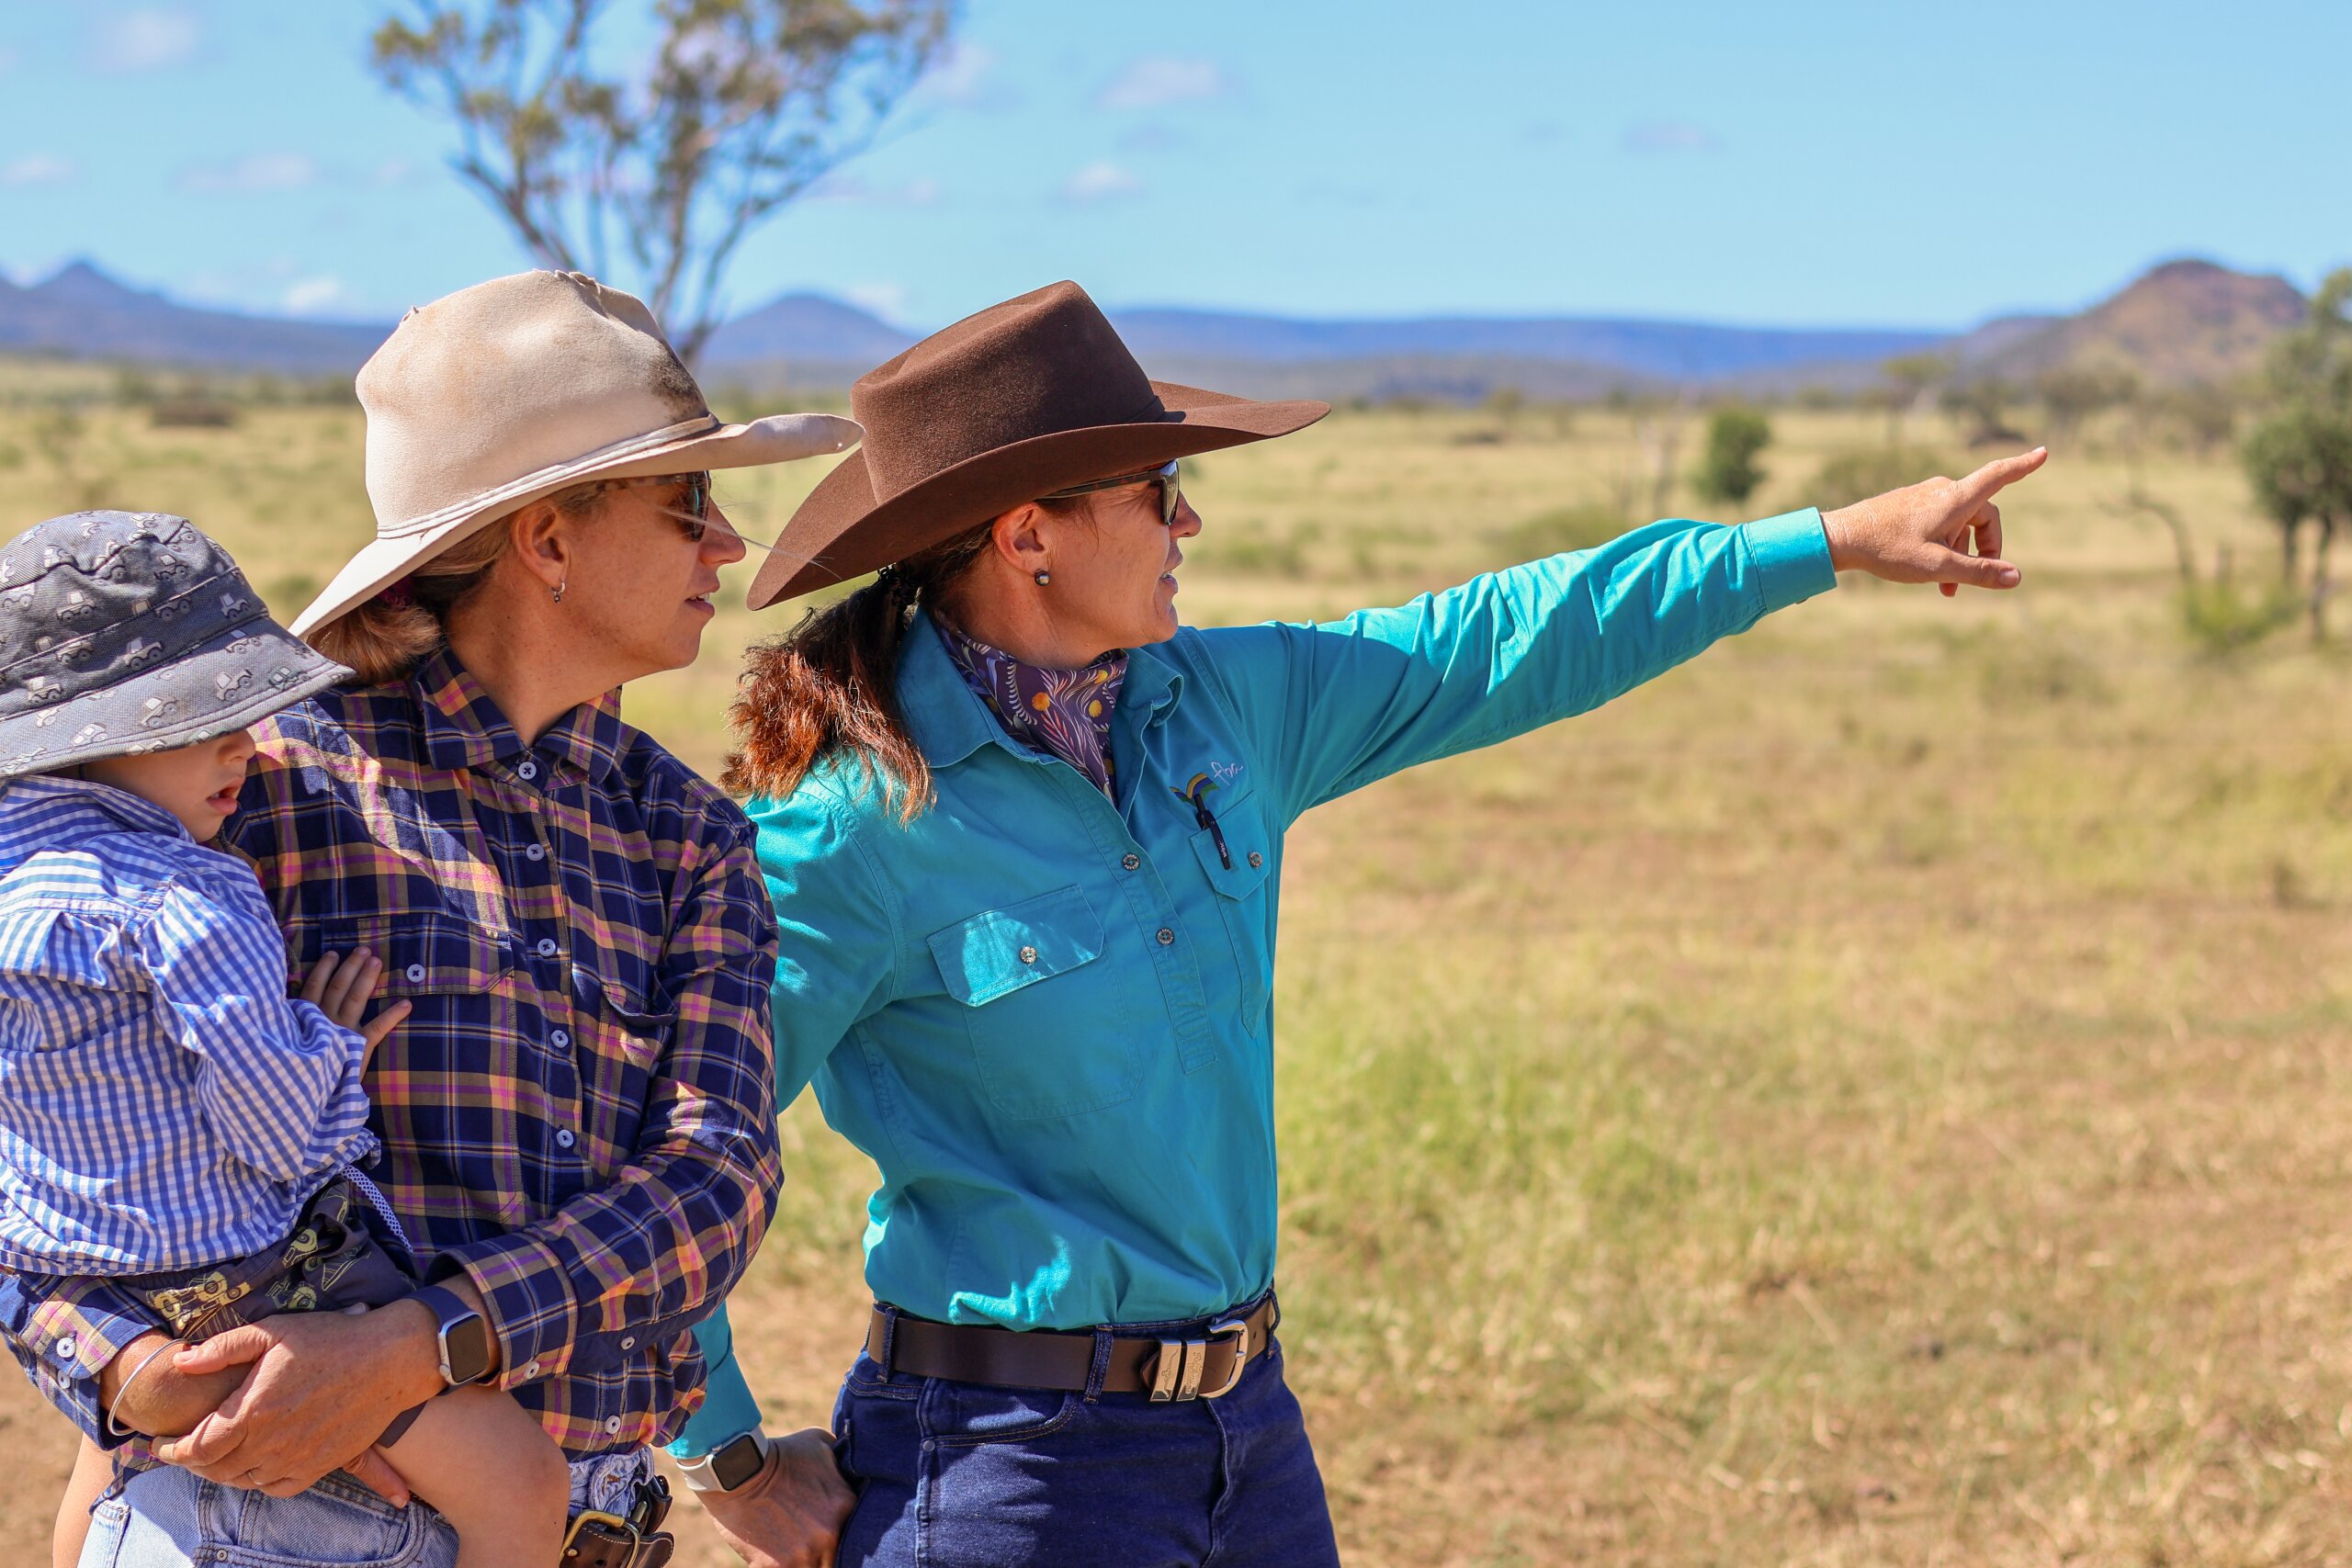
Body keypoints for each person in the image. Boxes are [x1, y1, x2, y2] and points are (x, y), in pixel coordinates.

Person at [668, 280, 2048, 1566]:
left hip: (1248, 1433)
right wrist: (728, 1454)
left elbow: (1502, 636)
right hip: (1004, 1472)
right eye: (1159, 491)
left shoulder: (1218, 706)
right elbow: (672, 1142)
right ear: (1029, 532)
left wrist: (1827, 541)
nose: (1187, 525)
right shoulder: (851, 829)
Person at [0, 270, 857, 1568]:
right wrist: (118, 1368)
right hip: (259, 1526)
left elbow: (718, 1183)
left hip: (592, 1524)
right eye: (689, 503)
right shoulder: (260, 791)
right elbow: (50, 1125)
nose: (728, 542)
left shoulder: (688, 836)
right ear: (547, 539)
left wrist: (422, 1340)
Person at [0, 511, 570, 1568]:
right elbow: (272, 1132)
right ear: (95, 739)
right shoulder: (190, 896)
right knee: (521, 1482)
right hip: (250, 1279)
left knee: (111, 1468)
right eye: (199, 722)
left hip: (81, 1285)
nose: (243, 747)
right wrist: (330, 1046)